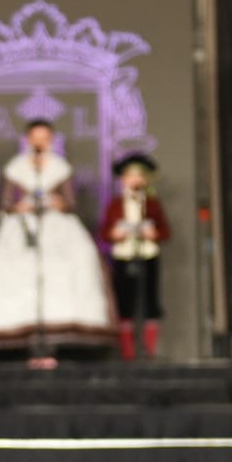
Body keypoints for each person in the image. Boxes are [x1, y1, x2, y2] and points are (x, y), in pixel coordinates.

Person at [0, 120, 112, 351]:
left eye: (45, 137)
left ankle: (58, 333)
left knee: (60, 274)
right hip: (23, 227)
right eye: (35, 137)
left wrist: (59, 203)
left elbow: (71, 203)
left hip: (56, 227)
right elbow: (6, 202)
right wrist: (18, 207)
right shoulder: (17, 167)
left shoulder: (60, 167)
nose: (40, 142)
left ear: (51, 140)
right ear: (28, 139)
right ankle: (23, 333)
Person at [101, 153, 172, 359]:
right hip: (123, 256)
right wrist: (115, 234)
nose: (134, 180)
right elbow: (105, 233)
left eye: (139, 175)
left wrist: (154, 233)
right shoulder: (115, 204)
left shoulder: (151, 204)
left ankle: (148, 351)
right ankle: (128, 353)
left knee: (150, 303)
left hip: (147, 255)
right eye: (130, 176)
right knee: (125, 304)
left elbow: (166, 232)